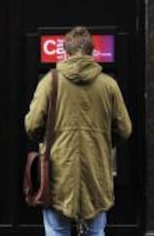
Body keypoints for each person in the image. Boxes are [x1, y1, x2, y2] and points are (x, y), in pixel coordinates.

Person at [24, 26, 132, 236]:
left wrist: (48, 140)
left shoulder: (49, 82)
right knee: (95, 231)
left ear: (65, 52)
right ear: (92, 52)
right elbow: (125, 129)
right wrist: (103, 142)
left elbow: (32, 125)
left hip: (58, 176)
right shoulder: (109, 85)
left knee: (57, 231)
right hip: (96, 173)